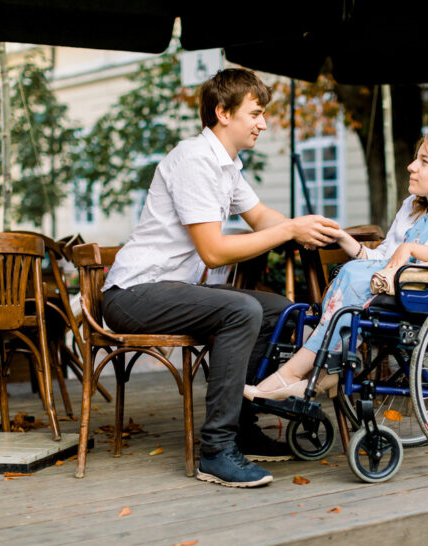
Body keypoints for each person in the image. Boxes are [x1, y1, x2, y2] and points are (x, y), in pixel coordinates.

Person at [101, 68, 339, 488]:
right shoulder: (195, 159)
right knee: (241, 308)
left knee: (276, 310)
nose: (263, 123)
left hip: (171, 290)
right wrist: (287, 231)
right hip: (133, 295)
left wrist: (308, 229)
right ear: (222, 113)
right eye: (256, 113)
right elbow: (213, 250)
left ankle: (244, 429)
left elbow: (261, 216)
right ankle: (215, 451)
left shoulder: (226, 164)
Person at [244, 130, 428, 400]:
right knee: (351, 274)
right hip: (396, 285)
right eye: (415, 159)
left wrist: (411, 249)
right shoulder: (412, 207)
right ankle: (320, 372)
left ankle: (295, 374)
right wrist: (343, 238)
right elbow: (384, 258)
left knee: (352, 277)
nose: (411, 166)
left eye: (424, 161)